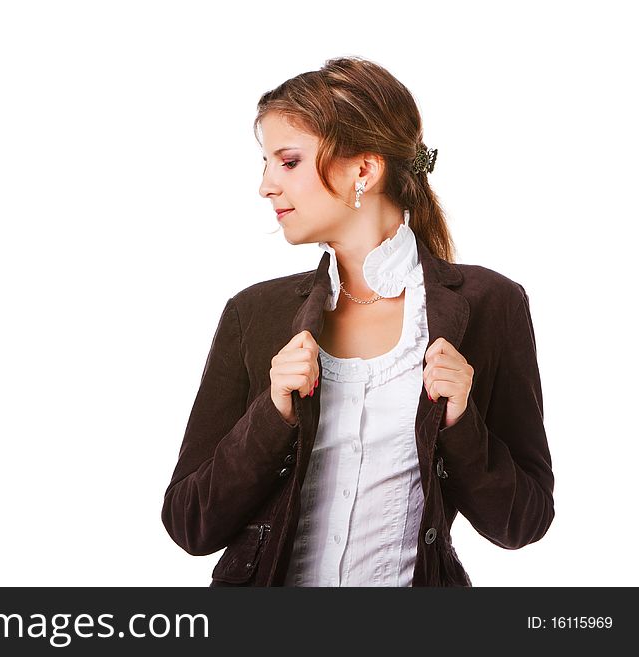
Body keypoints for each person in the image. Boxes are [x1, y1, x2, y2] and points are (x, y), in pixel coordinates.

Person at [160, 56, 554, 586]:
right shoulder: (254, 313)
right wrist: (271, 413)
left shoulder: (491, 305)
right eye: (266, 163)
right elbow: (190, 524)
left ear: (364, 170)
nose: (267, 186)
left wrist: (462, 423)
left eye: (289, 161)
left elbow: (522, 521)